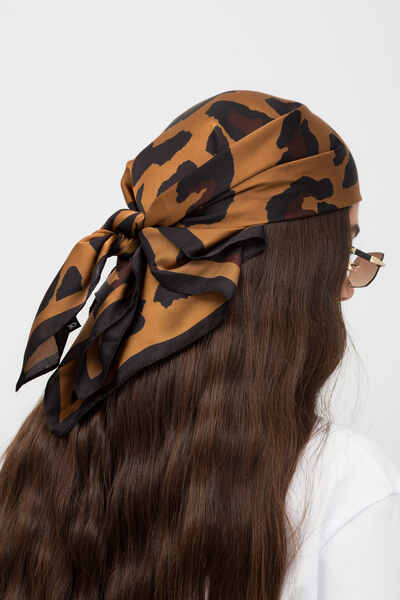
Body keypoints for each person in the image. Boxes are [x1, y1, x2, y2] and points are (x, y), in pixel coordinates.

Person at [1, 89, 399, 599]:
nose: (346, 288)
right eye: (345, 251)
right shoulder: (346, 486)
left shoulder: (51, 452)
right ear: (292, 271)